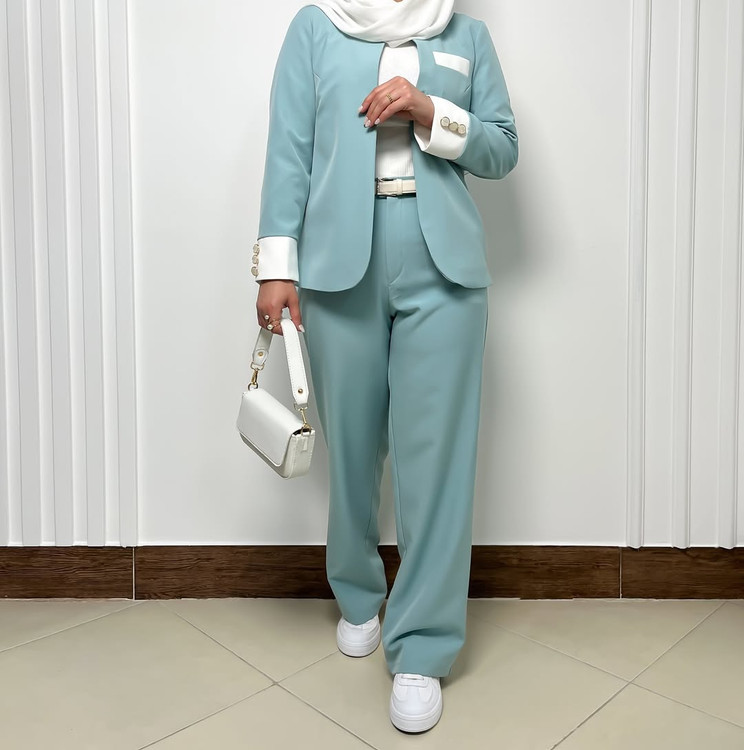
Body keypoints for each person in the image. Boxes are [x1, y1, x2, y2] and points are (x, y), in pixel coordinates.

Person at [252, 0, 518, 733]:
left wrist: (432, 111)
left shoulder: (466, 34)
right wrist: (276, 267)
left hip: (444, 268)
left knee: (436, 460)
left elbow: (501, 148)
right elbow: (289, 147)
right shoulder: (316, 26)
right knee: (354, 442)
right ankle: (359, 591)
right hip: (339, 263)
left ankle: (423, 645)